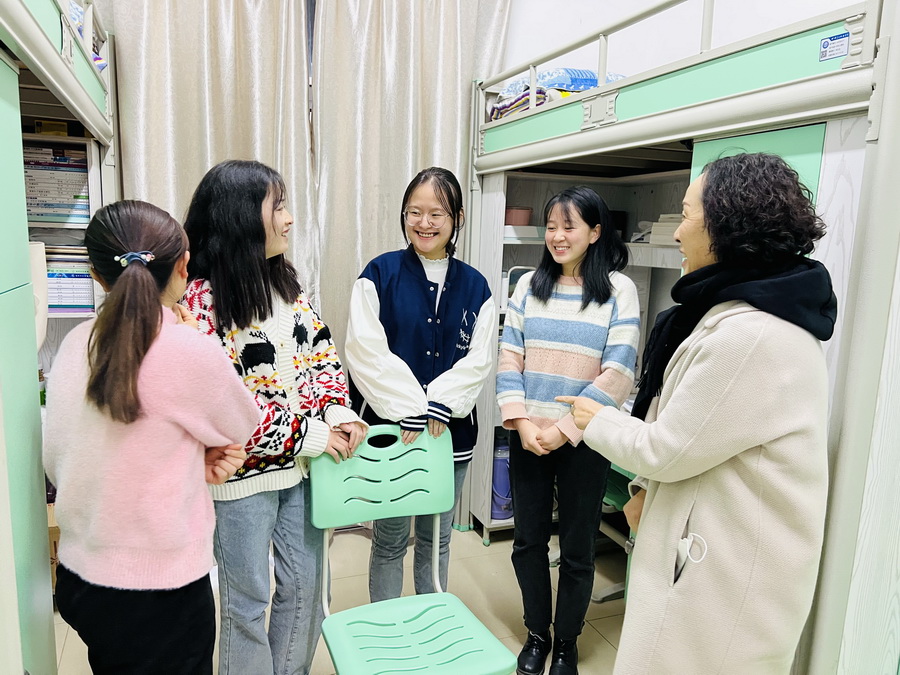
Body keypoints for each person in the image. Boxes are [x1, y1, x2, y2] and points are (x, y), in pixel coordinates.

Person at [559, 152, 837, 674]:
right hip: (706, 549)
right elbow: (700, 428)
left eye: (686, 215)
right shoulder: (738, 314)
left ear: (725, 227)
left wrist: (595, 419)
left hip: (726, 578)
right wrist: (644, 489)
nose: (677, 232)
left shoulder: (750, 335)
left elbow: (667, 447)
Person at [44, 200, 260, 674]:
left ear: (96, 275)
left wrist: (187, 458)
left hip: (82, 582)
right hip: (163, 593)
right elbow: (244, 423)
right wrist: (193, 336)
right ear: (183, 267)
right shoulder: (186, 348)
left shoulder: (74, 343)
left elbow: (60, 457)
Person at [181, 160, 368, 675]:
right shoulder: (201, 302)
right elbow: (227, 406)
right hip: (241, 483)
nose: (289, 218)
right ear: (241, 217)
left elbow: (322, 353)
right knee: (246, 604)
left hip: (302, 471)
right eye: (277, 206)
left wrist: (337, 408)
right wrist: (313, 434)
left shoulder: (286, 287)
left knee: (306, 590)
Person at [497, 186, 640, 675]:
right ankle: (538, 634)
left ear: (595, 233)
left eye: (569, 226)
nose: (557, 236)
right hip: (527, 436)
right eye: (552, 226)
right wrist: (520, 422)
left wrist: (562, 429)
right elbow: (509, 357)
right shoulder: (527, 286)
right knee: (528, 543)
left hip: (584, 439)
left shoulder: (619, 289)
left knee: (578, 549)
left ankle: (567, 643)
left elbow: (619, 371)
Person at [343, 166, 496, 602]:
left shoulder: (476, 287)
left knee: (437, 538)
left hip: (451, 434)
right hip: (395, 432)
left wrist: (442, 402)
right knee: (390, 538)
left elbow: (479, 359)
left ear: (457, 219)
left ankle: (430, 619)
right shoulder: (379, 274)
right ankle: (388, 626)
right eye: (414, 212)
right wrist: (408, 405)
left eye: (436, 214)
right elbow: (365, 351)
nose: (424, 223)